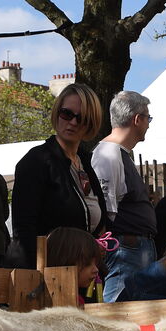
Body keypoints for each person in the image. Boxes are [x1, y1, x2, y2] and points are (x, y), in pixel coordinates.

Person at [11, 83, 107, 268]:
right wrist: (39, 275)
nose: (72, 122)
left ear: (91, 123)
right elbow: (24, 230)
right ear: (57, 113)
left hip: (82, 274)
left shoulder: (86, 162)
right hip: (48, 275)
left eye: (81, 118)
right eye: (67, 114)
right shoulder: (36, 161)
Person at [91, 91, 156, 301]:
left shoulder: (117, 154)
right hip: (125, 249)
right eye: (148, 118)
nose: (148, 124)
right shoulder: (109, 155)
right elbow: (105, 210)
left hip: (131, 248)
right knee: (116, 313)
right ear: (137, 119)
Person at [46, 227, 108, 305]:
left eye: (96, 263)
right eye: (87, 263)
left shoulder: (76, 299)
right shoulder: (65, 302)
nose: (96, 270)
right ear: (65, 262)